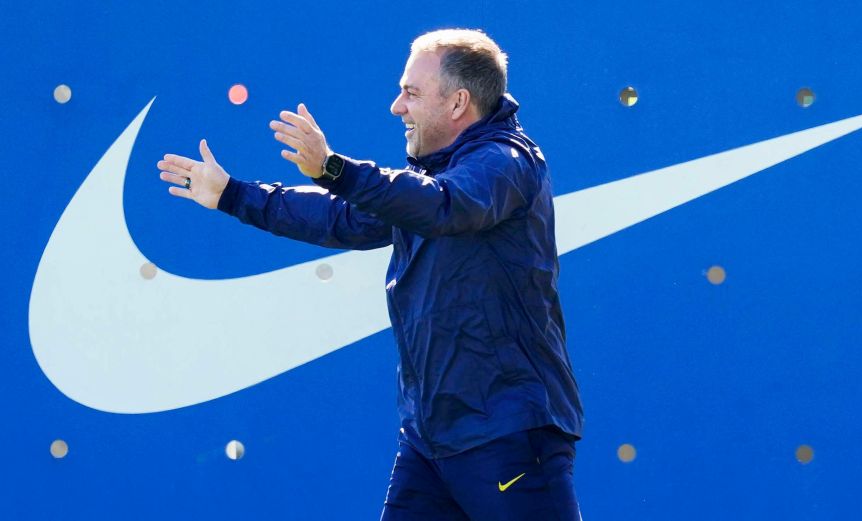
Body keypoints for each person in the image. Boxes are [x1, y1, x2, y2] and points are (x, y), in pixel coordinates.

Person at [157, 29, 585, 521]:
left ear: (458, 103)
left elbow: (447, 207)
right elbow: (342, 217)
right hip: (430, 442)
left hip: (507, 435)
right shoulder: (427, 184)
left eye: (412, 92)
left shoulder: (506, 163)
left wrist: (334, 168)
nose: (396, 106)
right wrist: (232, 194)